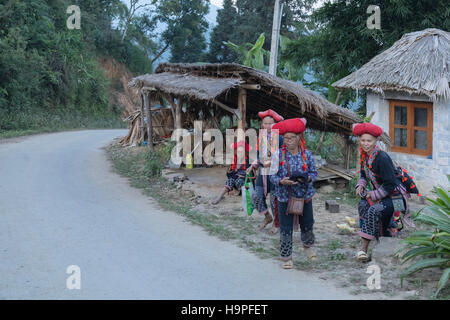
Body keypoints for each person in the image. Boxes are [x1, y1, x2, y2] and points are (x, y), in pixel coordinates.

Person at [353, 122, 406, 262]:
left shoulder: (382, 158)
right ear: (359, 140)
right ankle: (375, 238)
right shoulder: (365, 156)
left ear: (376, 141)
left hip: (395, 198)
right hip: (382, 195)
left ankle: (364, 248)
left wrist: (373, 195)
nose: (365, 144)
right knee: (363, 205)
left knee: (374, 210)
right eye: (363, 140)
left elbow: (391, 183)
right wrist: (361, 185)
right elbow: (364, 175)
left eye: (369, 141)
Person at [269, 118, 318, 269]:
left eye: (292, 138)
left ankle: (308, 246)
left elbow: (314, 173)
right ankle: (286, 257)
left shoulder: (307, 155)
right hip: (285, 196)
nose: (289, 141)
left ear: (299, 138)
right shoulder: (278, 155)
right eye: (286, 138)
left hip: (304, 196)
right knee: (285, 227)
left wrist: (308, 178)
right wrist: (282, 181)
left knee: (308, 223)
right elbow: (272, 176)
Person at [247, 109, 284, 234]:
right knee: (256, 196)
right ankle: (267, 217)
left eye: (270, 123)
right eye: (265, 123)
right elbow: (259, 155)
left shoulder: (280, 138)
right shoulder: (262, 137)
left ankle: (276, 223)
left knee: (274, 200)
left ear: (275, 124)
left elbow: (283, 156)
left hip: (275, 173)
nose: (267, 126)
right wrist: (253, 165)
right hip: (263, 172)